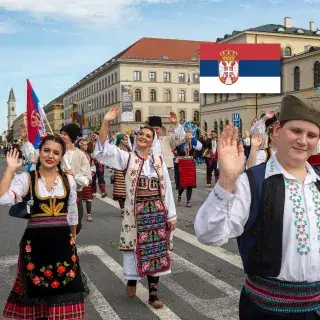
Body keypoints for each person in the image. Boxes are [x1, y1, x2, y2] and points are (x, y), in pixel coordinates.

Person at [195, 94, 320, 319]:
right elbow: (208, 235)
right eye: (296, 131)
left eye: (311, 135)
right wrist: (226, 181)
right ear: (277, 131)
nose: (303, 140)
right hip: (266, 311)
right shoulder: (251, 182)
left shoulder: (318, 183)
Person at [95, 107, 177, 309]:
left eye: (148, 136)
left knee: (156, 252)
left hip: (157, 214)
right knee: (135, 250)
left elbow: (166, 190)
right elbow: (103, 150)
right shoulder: (127, 158)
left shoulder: (158, 162)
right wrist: (106, 122)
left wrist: (171, 215)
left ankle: (153, 294)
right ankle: (132, 279)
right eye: (140, 134)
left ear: (152, 141)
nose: (143, 137)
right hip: (136, 215)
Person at [0, 135, 89, 320]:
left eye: (56, 152)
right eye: (46, 150)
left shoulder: (69, 181)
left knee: (64, 293)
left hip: (63, 245)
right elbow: (3, 198)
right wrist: (10, 169)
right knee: (37, 292)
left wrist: (73, 241)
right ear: (39, 152)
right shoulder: (27, 178)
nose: (50, 155)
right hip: (35, 246)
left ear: (61, 156)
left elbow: (72, 214)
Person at [22, 123, 91, 234]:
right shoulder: (51, 150)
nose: (62, 136)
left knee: (73, 228)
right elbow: (32, 156)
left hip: (73, 196)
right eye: (61, 133)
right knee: (48, 227)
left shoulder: (80, 155)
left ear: (72, 136)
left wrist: (73, 175)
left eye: (65, 134)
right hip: (49, 194)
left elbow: (86, 180)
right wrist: (26, 140)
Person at [175, 132, 202, 207]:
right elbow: (176, 152)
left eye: (189, 137)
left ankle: (188, 201)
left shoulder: (194, 145)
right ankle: (179, 196)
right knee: (182, 184)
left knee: (190, 184)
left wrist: (195, 140)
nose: (188, 138)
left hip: (190, 165)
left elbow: (200, 148)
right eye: (187, 136)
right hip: (182, 165)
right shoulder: (181, 145)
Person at [76, 138, 95, 222]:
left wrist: (90, 176)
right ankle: (77, 214)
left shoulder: (89, 155)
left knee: (88, 198)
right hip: (78, 178)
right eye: (84, 144)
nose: (86, 146)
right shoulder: (76, 155)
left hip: (87, 178)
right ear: (79, 145)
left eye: (86, 144)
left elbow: (93, 166)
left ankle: (89, 214)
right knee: (78, 198)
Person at [113, 133, 131, 215]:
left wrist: (127, 147)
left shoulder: (128, 148)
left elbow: (132, 156)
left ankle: (126, 206)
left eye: (126, 139)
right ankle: (122, 208)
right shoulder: (116, 149)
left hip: (128, 170)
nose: (126, 140)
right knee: (120, 190)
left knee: (127, 190)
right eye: (124, 139)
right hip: (119, 170)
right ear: (120, 140)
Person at [90, 132, 107, 198]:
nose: (94, 136)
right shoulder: (90, 144)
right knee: (93, 177)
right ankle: (93, 191)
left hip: (99, 163)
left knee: (101, 177)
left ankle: (103, 191)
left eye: (95, 135)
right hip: (92, 163)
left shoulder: (101, 144)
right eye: (93, 135)